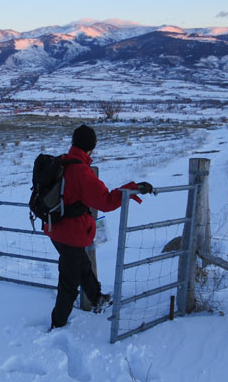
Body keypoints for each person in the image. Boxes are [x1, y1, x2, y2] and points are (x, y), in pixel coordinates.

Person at [45, 124, 153, 329]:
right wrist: (132, 188)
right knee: (68, 283)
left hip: (55, 228)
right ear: (91, 148)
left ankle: (96, 298)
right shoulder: (81, 171)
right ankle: (57, 325)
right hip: (70, 232)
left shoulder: (63, 161)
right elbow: (106, 202)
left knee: (80, 264)